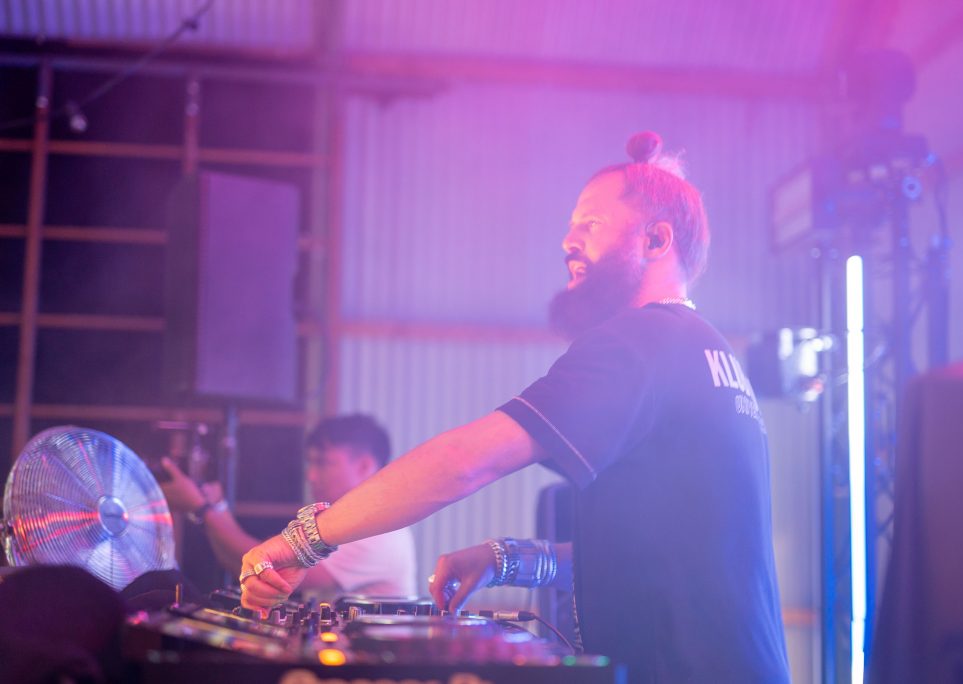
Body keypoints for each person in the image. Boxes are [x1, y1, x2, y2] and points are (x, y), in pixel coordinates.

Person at [238, 132, 791, 683]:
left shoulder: (639, 342)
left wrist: (303, 541)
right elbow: (662, 555)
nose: (568, 240)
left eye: (591, 223)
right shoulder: (706, 350)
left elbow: (465, 461)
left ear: (656, 239)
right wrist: (506, 559)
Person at [161, 414, 416, 598]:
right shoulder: (347, 518)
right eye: (310, 463)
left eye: (323, 463)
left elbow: (272, 571)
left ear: (364, 465)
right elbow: (244, 565)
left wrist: (202, 509)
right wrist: (215, 508)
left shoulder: (376, 530)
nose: (311, 476)